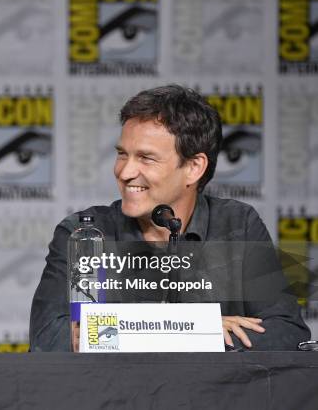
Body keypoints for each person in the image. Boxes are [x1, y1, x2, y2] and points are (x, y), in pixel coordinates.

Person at [30, 84, 309, 352]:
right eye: (122, 154)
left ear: (193, 167)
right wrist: (201, 330)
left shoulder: (238, 224)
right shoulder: (83, 233)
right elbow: (50, 337)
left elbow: (286, 333)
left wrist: (114, 335)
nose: (125, 172)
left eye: (146, 158)